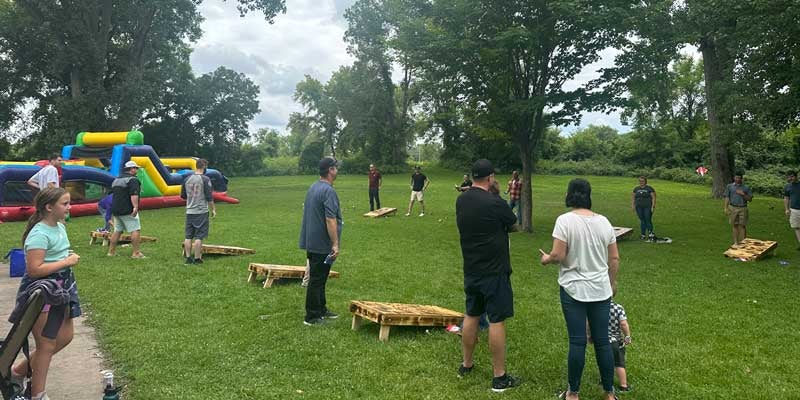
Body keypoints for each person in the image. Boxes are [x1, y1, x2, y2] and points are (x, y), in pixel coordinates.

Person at [540, 178, 619, 400]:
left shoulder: (564, 221)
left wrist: (546, 259)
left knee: (577, 341)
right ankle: (609, 393)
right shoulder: (604, 222)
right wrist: (612, 283)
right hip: (601, 289)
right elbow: (614, 258)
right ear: (589, 195)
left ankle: (573, 393)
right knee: (602, 341)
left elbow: (558, 255)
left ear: (569, 194)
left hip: (573, 288)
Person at [9, 187, 81, 400]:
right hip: (43, 292)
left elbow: (53, 255)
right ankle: (38, 394)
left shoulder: (59, 226)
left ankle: (17, 372)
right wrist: (66, 261)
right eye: (65, 204)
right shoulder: (39, 234)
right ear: (49, 207)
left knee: (65, 337)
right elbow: (33, 270)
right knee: (46, 345)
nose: (69, 207)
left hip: (63, 286)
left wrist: (63, 260)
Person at [456, 159, 520, 393]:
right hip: (494, 270)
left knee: (472, 314)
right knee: (496, 319)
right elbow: (514, 225)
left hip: (471, 267)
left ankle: (466, 364)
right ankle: (499, 377)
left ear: (473, 176)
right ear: (491, 177)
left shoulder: (461, 200)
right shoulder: (495, 202)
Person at [299, 157, 343, 325]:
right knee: (317, 279)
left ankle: (321, 308)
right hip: (322, 243)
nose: (337, 171)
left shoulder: (313, 187)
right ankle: (312, 316)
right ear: (330, 170)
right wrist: (335, 244)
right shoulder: (328, 191)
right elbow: (330, 219)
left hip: (312, 241)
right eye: (335, 168)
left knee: (321, 277)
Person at [181, 159, 217, 265]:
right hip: (201, 211)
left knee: (188, 236)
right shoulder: (205, 179)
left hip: (189, 211)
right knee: (199, 236)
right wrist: (213, 209)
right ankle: (197, 258)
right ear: (204, 166)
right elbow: (209, 196)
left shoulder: (187, 179)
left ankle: (188, 258)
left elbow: (183, 196)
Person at [107, 161, 146, 258]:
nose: (137, 170)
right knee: (135, 229)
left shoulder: (116, 180)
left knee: (117, 230)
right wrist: (135, 207)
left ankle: (111, 252)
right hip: (127, 209)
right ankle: (136, 253)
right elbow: (134, 194)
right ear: (131, 169)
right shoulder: (132, 180)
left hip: (116, 209)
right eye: (136, 168)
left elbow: (111, 194)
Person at [608, 298, 632, 392]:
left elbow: (589, 323)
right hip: (616, 342)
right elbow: (623, 323)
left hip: (602, 341)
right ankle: (623, 385)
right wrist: (627, 336)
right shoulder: (618, 308)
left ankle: (605, 382)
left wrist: (590, 335)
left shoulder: (598, 308)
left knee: (604, 362)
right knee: (619, 363)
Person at [723, 171, 753, 246]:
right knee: (734, 225)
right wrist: (726, 208)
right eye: (736, 177)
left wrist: (743, 194)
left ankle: (743, 243)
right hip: (733, 207)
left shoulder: (746, 187)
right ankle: (736, 242)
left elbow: (749, 199)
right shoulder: (729, 186)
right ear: (734, 177)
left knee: (742, 226)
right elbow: (727, 197)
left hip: (743, 208)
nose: (737, 179)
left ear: (742, 179)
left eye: (739, 178)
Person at [783, 171, 800, 249]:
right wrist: (786, 209)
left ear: (796, 176)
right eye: (789, 177)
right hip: (793, 210)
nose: (790, 178)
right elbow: (786, 198)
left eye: (792, 176)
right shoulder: (787, 186)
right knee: (796, 227)